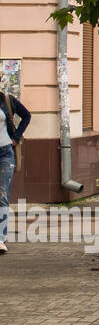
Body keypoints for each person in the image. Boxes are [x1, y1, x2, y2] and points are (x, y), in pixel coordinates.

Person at [0, 88, 32, 255]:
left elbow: (26, 116)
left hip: (5, 153)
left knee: (2, 195)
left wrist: (16, 137)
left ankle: (0, 238)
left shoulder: (6, 100)